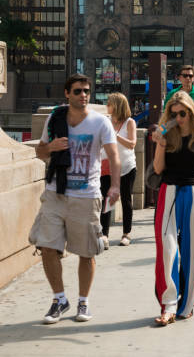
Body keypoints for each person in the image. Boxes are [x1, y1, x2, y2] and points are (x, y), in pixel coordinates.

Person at [29, 74, 120, 324]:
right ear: (67, 94)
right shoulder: (55, 118)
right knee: (47, 247)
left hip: (86, 195)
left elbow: (113, 156)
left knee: (86, 252)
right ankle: (59, 299)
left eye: (87, 91)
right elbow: (39, 151)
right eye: (78, 91)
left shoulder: (100, 123)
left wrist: (114, 186)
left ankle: (83, 301)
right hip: (55, 192)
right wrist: (51, 148)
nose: (83, 96)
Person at [153, 91, 194, 325]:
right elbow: (158, 169)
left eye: (182, 113)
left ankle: (186, 304)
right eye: (173, 113)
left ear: (190, 112)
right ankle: (168, 305)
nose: (178, 118)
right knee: (167, 249)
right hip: (168, 192)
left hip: (192, 192)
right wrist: (160, 142)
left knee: (192, 251)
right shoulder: (167, 134)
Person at [100, 93, 137, 248]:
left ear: (117, 105)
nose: (107, 105)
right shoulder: (105, 122)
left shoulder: (130, 122)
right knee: (107, 200)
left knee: (126, 199)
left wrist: (115, 136)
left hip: (127, 166)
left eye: (109, 103)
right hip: (107, 165)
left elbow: (132, 144)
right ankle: (104, 235)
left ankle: (126, 234)